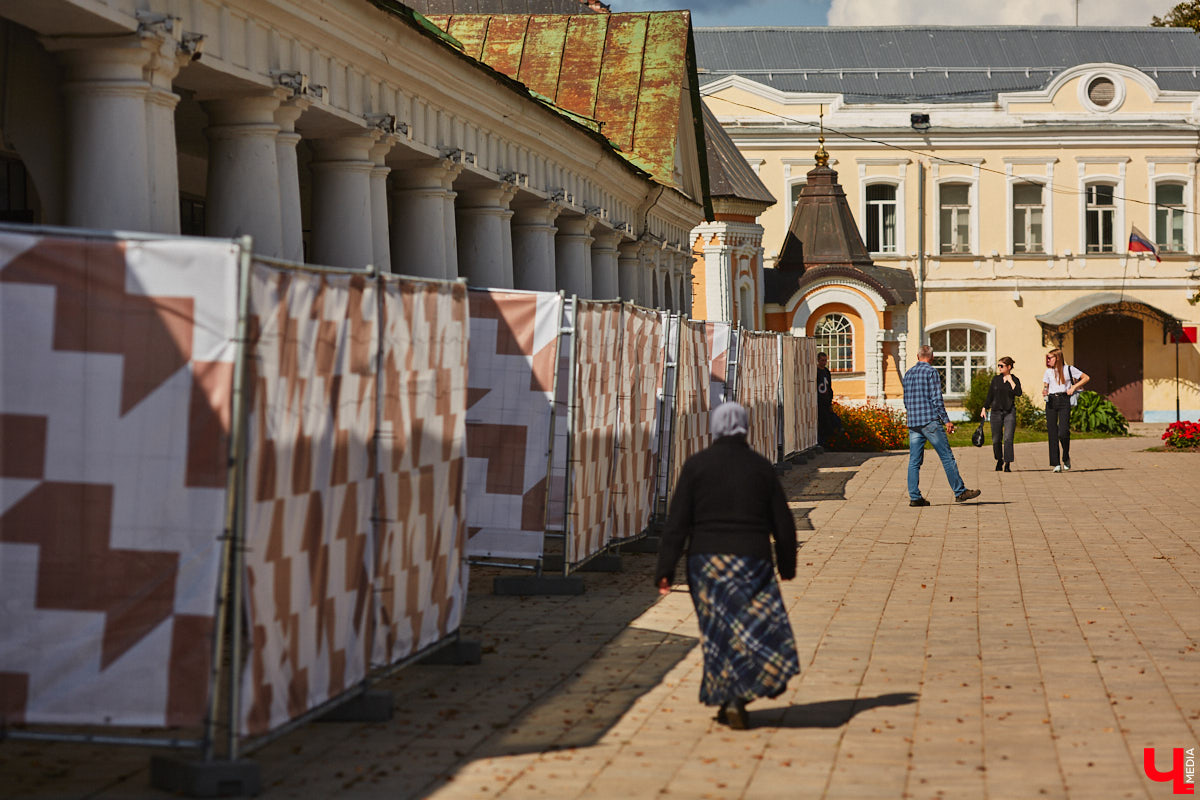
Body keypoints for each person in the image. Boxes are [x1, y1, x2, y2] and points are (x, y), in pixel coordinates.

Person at [655, 401, 799, 730]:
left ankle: (728, 696)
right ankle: (737, 696)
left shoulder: (697, 466)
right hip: (752, 562)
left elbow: (677, 523)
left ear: (716, 427)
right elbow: (783, 522)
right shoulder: (760, 467)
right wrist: (786, 565)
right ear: (745, 427)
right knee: (752, 629)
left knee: (718, 631)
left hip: (706, 564)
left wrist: (665, 570)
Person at [902, 344, 981, 506]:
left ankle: (915, 497)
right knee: (946, 457)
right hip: (929, 421)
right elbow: (936, 399)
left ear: (917, 356)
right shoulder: (931, 372)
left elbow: (905, 400)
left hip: (913, 423)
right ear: (932, 357)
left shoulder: (908, 373)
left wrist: (912, 415)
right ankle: (960, 491)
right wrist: (946, 420)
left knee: (914, 461)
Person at [1041, 347, 1089, 472]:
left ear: (1057, 358)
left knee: (1063, 432)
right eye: (1047, 358)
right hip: (1051, 401)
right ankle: (1056, 463)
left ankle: (1066, 456)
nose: (1048, 360)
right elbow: (1046, 385)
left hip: (1064, 400)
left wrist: (1073, 387)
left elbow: (1086, 378)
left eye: (1050, 358)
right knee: (1052, 432)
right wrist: (1045, 391)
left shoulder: (1069, 369)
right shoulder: (1048, 372)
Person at [982, 356, 1022, 472]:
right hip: (996, 412)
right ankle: (999, 459)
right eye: (998, 365)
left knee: (1008, 438)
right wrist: (984, 408)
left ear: (1009, 367)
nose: (999, 368)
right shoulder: (996, 379)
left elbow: (1018, 393)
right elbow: (990, 395)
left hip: (1009, 412)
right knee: (996, 439)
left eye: (1002, 366)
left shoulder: (1015, 379)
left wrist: (1011, 381)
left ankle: (1007, 463)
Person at [815, 351, 842, 444]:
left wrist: (830, 400)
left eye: (825, 360)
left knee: (830, 421)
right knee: (822, 422)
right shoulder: (816, 371)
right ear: (818, 360)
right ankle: (822, 441)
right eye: (822, 360)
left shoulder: (826, 372)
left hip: (826, 400)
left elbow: (829, 386)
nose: (824, 362)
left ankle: (829, 439)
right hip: (819, 401)